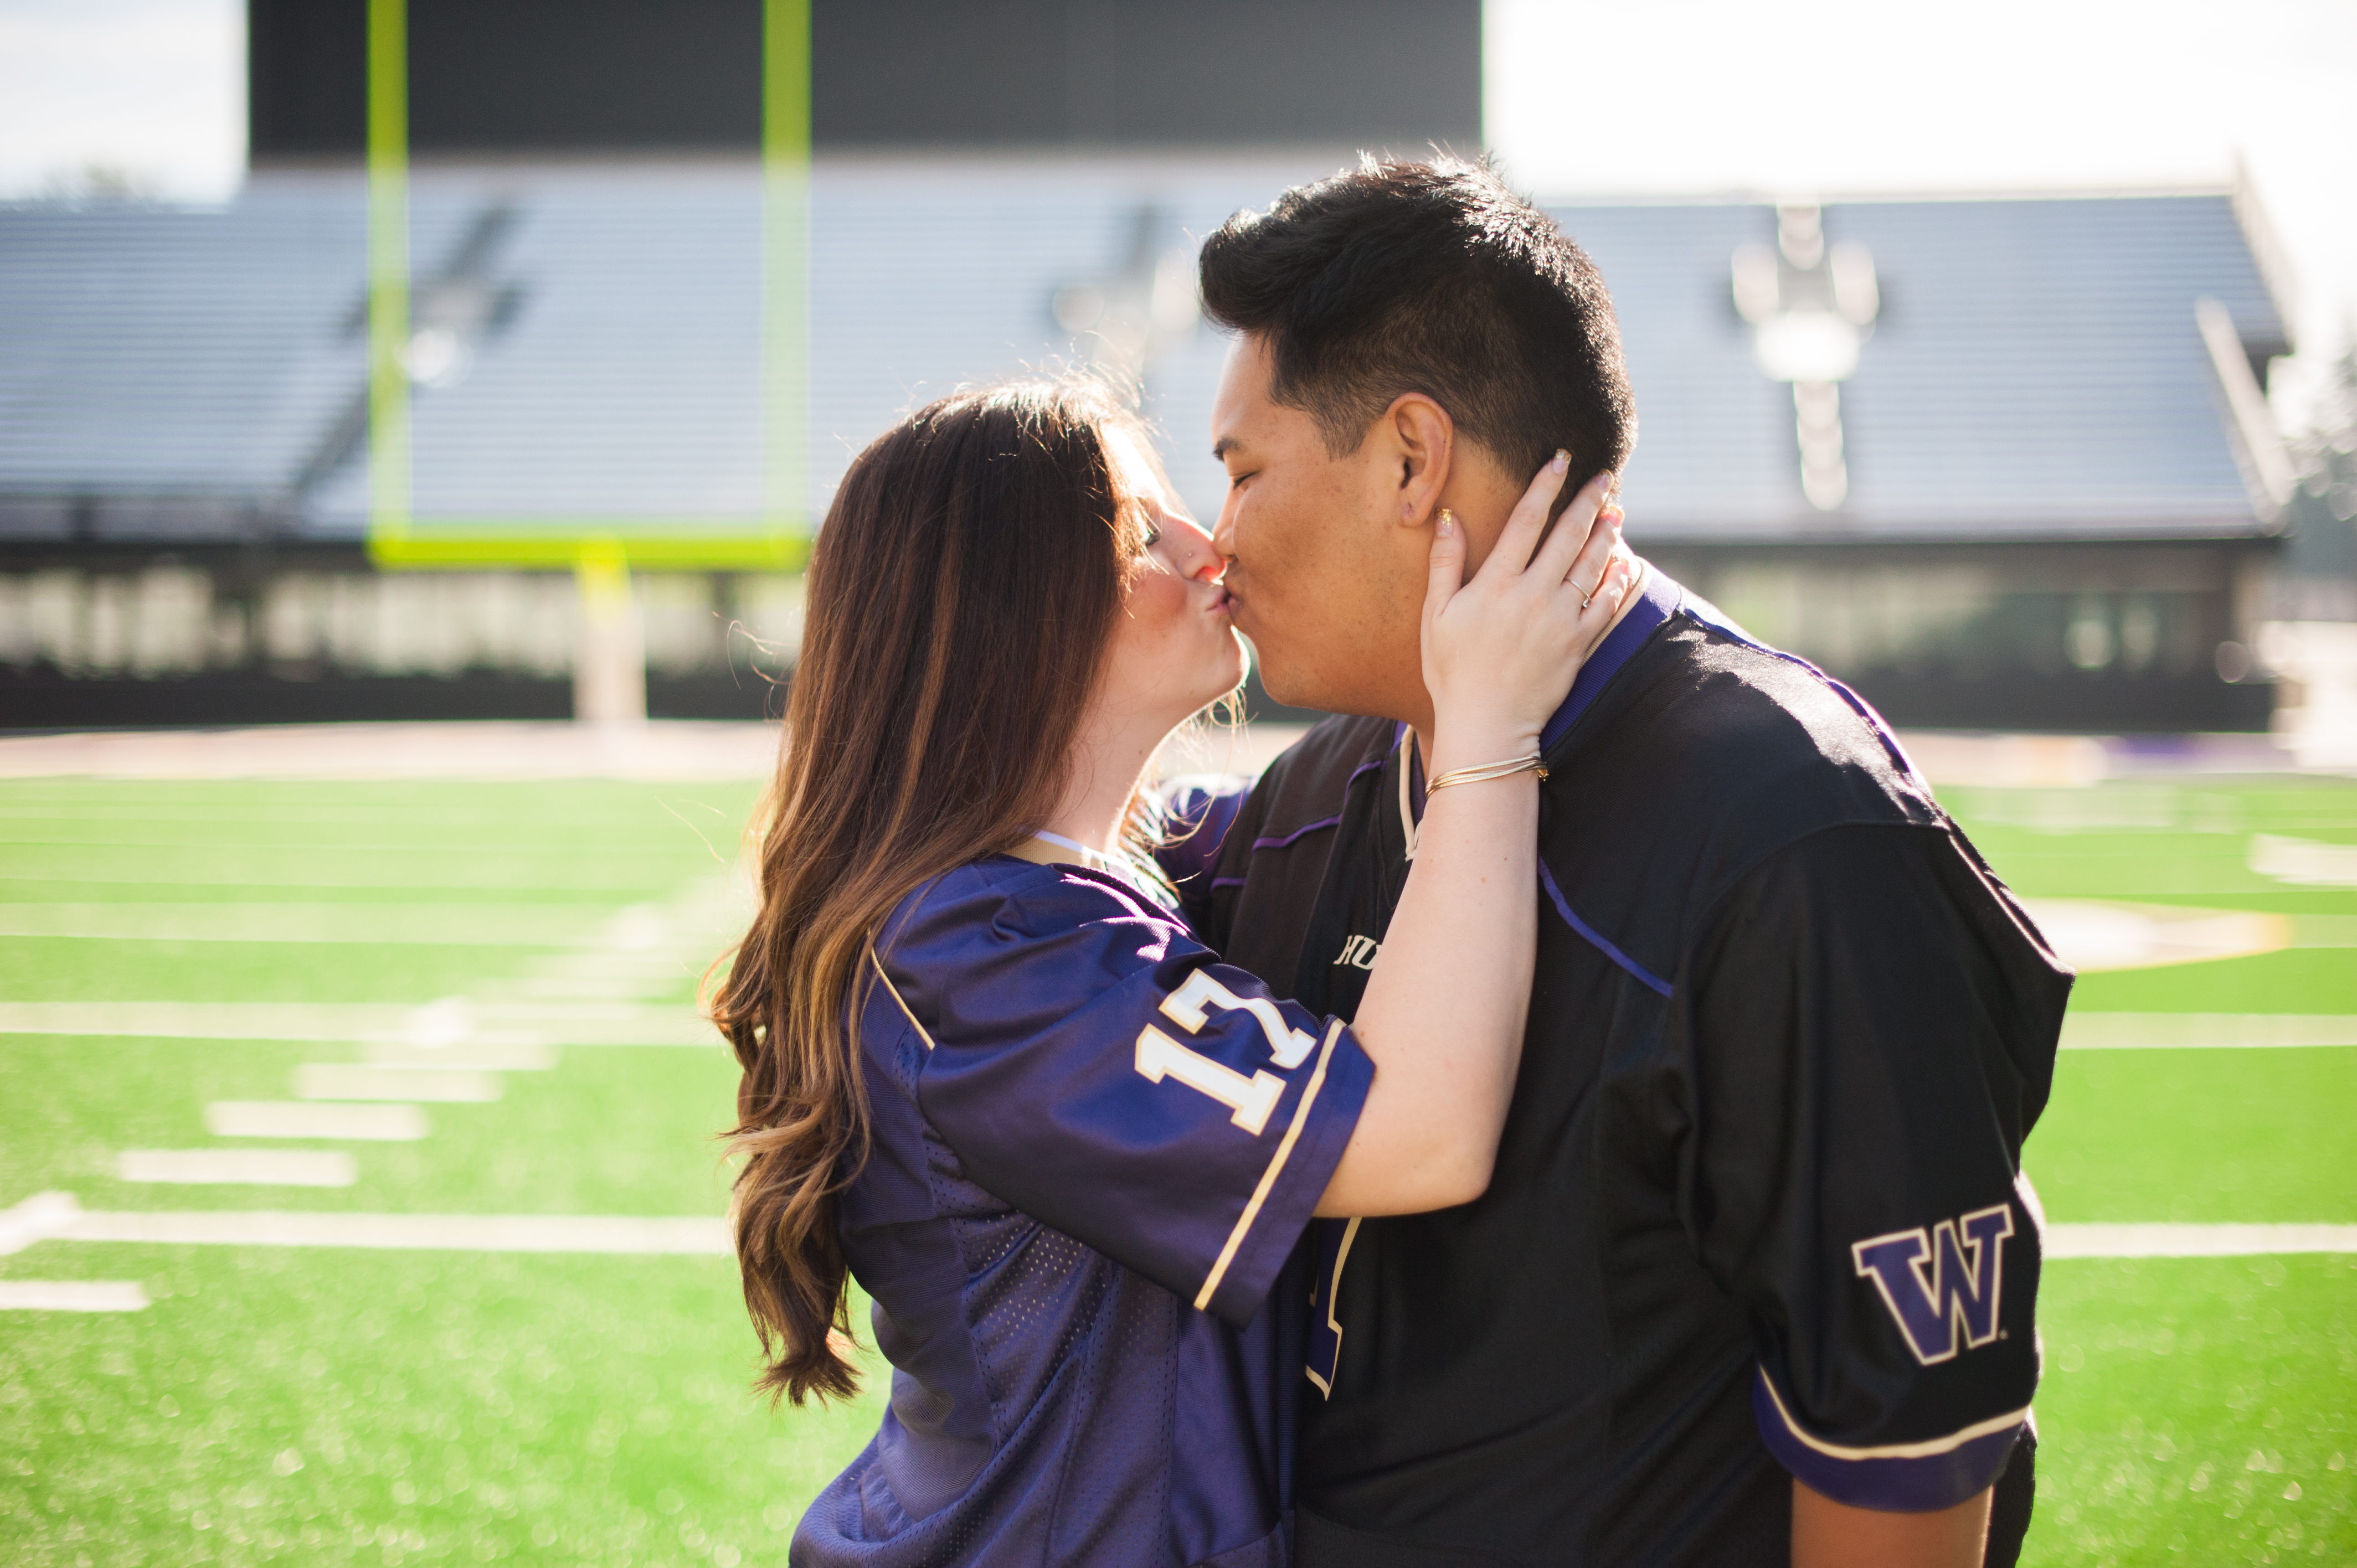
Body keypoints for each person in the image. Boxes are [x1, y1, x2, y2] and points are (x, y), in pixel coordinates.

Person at [1183, 159, 2072, 1568]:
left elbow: (1898, 1455)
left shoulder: (1797, 830)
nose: (1214, 543)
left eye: (1240, 473)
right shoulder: (1317, 789)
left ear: (1411, 460)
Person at [710, 377, 1635, 1566]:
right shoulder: (981, 966)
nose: (1212, 547)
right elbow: (1420, 1136)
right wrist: (1491, 730)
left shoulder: (1092, 873)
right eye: (1143, 535)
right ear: (1012, 606)